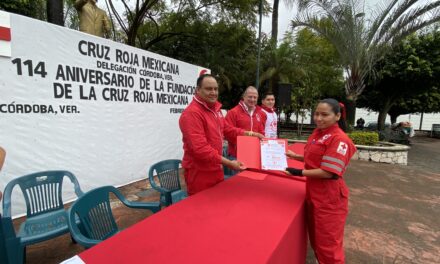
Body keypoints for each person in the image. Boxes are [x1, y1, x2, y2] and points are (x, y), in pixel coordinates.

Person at [285, 99, 356, 264]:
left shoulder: (340, 139)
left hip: (329, 198)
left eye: (324, 114)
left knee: (329, 246)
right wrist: (296, 157)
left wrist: (298, 172)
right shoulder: (319, 133)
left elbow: (329, 172)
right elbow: (318, 159)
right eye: (316, 113)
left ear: (337, 116)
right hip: (314, 193)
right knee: (317, 241)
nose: (318, 118)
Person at [179, 74, 261, 195]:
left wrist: (251, 133)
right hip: (199, 171)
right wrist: (228, 163)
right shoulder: (192, 114)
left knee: (217, 203)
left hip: (216, 167)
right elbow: (200, 149)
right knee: (202, 207)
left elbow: (227, 129)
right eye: (208, 89)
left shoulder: (215, 110)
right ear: (197, 90)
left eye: (215, 89)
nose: (213, 92)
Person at [225, 86, 265, 158]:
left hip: (254, 155)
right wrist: (250, 134)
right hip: (236, 155)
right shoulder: (233, 112)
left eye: (255, 97)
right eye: (250, 97)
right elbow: (227, 132)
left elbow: (261, 132)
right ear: (244, 97)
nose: (252, 99)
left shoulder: (260, 113)